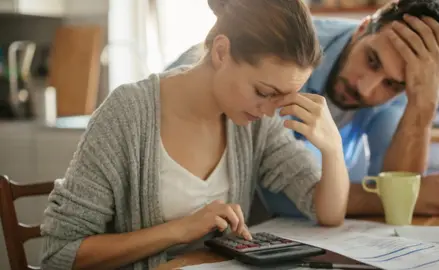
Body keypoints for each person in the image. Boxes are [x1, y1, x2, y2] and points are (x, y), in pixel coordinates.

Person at [40, 0, 350, 269]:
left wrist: (332, 149)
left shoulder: (254, 123)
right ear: (221, 51)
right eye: (264, 92)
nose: (270, 111)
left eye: (280, 99)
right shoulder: (127, 114)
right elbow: (60, 254)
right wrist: (180, 230)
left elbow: (327, 212)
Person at [167, 0, 439, 219]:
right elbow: (287, 195)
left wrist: (424, 103)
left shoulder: (406, 84)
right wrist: (405, 198)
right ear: (363, 28)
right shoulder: (291, 54)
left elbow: (397, 201)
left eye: (392, 84)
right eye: (371, 60)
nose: (366, 89)